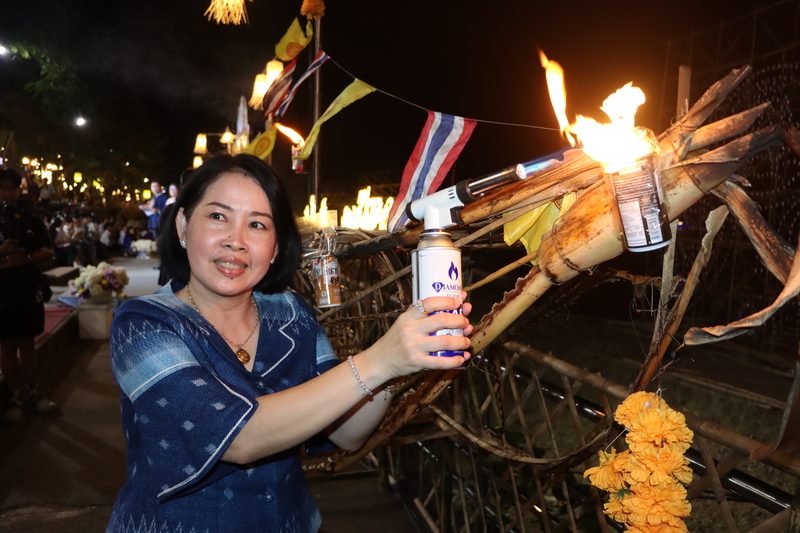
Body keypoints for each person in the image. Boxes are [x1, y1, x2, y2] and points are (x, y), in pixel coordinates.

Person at [105, 153, 472, 532]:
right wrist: (381, 360)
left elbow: (348, 432)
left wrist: (404, 359)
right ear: (183, 225)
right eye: (218, 217)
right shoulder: (142, 325)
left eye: (258, 225)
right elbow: (239, 439)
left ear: (277, 245)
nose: (236, 241)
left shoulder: (290, 312)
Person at [0, 168, 57, 424]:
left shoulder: (29, 215)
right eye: (2, 188)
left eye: (12, 188)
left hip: (26, 286)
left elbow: (48, 251)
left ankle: (34, 395)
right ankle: (15, 398)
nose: (7, 193)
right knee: (7, 345)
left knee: (28, 343)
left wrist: (27, 258)